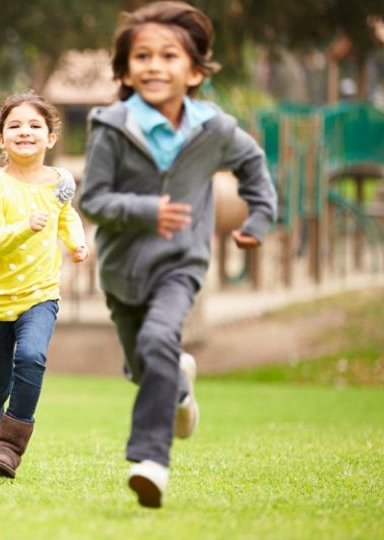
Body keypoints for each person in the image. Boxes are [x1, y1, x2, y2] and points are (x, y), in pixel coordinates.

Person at [79, 1, 277, 507]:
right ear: (125, 70)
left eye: (169, 56)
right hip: (122, 270)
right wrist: (147, 210)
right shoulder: (112, 126)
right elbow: (93, 200)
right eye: (142, 56)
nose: (154, 65)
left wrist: (258, 219)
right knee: (143, 364)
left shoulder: (214, 130)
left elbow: (254, 167)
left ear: (193, 72)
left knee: (159, 339)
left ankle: (151, 461)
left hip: (180, 264)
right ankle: (180, 392)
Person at [0, 91, 90, 480]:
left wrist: (77, 241)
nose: (25, 131)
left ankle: (9, 448)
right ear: (2, 139)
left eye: (35, 125)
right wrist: (25, 228)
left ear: (51, 138)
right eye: (15, 126)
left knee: (32, 358)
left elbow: (65, 216)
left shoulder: (61, 181)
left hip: (40, 294)